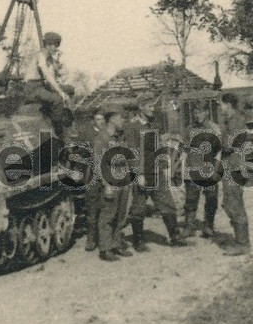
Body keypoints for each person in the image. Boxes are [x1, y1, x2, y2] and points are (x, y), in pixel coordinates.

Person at [126, 97, 191, 250]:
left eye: (153, 106)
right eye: (150, 106)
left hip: (156, 171)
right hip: (143, 173)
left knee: (167, 203)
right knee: (138, 208)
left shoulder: (154, 124)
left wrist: (163, 164)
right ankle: (138, 241)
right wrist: (139, 174)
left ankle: (175, 237)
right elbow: (132, 152)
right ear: (141, 107)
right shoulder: (132, 126)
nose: (153, 109)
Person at [90, 109, 133, 261]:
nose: (123, 121)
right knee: (108, 214)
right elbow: (98, 163)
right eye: (121, 118)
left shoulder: (119, 136)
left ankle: (116, 244)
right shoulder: (102, 138)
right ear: (112, 120)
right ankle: (105, 249)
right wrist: (106, 184)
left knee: (120, 214)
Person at [18, 31, 74, 134]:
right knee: (58, 99)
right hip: (32, 88)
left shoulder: (49, 58)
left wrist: (58, 61)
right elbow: (48, 76)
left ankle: (61, 115)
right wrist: (60, 92)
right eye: (55, 45)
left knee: (70, 89)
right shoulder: (40, 55)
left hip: (41, 86)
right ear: (48, 45)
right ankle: (58, 128)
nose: (56, 48)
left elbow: (54, 76)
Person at [218, 92, 251, 256]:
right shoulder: (230, 121)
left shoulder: (236, 121)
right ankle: (240, 238)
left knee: (233, 203)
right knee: (229, 203)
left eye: (221, 104)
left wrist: (217, 136)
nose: (220, 107)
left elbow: (229, 145)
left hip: (235, 167)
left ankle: (242, 243)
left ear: (228, 105)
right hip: (230, 166)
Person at [180, 103, 219, 239]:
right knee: (190, 200)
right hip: (193, 169)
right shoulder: (189, 129)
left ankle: (208, 226)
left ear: (206, 112)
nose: (197, 115)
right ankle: (189, 227)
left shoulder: (214, 128)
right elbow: (184, 150)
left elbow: (219, 151)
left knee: (211, 199)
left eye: (200, 112)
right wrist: (183, 169)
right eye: (195, 113)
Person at [81, 108, 106, 252]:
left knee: (106, 207)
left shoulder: (108, 134)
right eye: (98, 119)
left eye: (103, 119)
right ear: (93, 121)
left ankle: (104, 238)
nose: (101, 122)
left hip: (107, 175)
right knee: (92, 208)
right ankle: (91, 239)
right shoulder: (87, 135)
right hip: (92, 175)